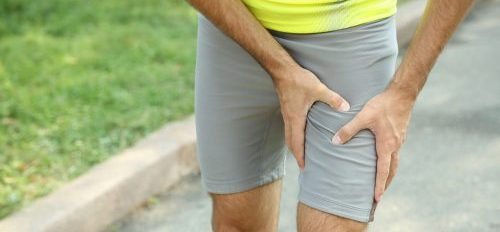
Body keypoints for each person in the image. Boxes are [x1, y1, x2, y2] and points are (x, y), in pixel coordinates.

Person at [186, 0, 475, 231]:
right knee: (234, 224)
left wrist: (404, 91)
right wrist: (281, 70)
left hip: (351, 35)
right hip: (235, 29)